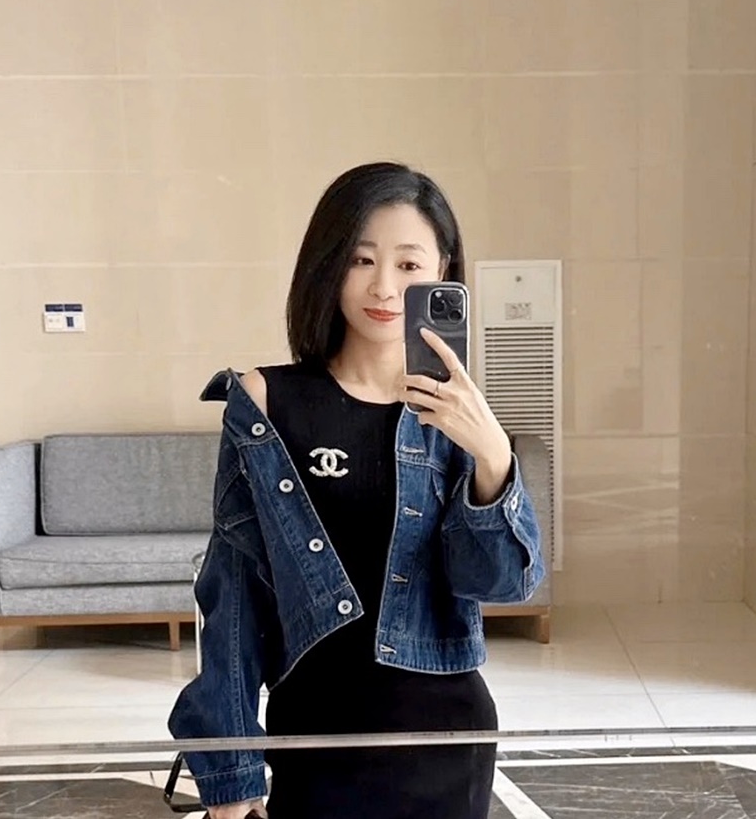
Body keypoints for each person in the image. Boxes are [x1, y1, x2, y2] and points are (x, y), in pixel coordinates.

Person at [168, 161, 545, 819]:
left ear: (443, 272)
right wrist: (230, 767)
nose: (383, 286)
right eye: (361, 259)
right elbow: (234, 592)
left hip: (447, 737)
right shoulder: (265, 401)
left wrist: (492, 453)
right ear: (328, 264)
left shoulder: (457, 415)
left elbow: (501, 583)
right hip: (316, 735)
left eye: (408, 264)